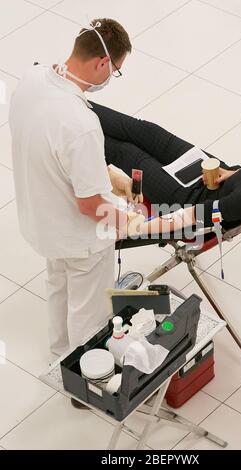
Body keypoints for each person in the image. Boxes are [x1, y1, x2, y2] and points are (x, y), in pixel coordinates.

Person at [9, 19, 140, 362]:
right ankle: (85, 372)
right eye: (115, 70)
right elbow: (90, 205)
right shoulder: (80, 122)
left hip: (43, 220)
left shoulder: (32, 80)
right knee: (89, 311)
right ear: (101, 63)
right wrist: (128, 221)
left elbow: (51, 149)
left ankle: (60, 353)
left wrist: (109, 175)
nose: (111, 78)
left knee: (59, 288)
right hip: (80, 238)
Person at [88, 104, 241, 233]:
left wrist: (133, 227)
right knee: (144, 130)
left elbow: (188, 217)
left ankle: (71, 131)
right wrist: (235, 174)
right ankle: (75, 102)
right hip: (219, 177)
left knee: (127, 152)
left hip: (188, 199)